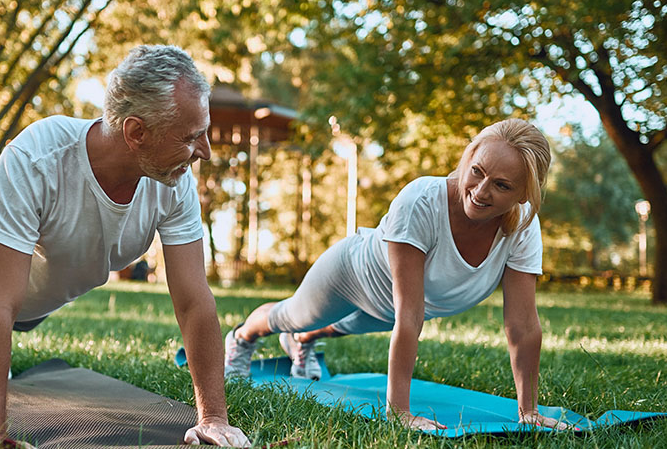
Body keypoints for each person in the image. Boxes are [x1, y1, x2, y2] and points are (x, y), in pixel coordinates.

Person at [0, 45, 250, 449]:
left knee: (15, 319)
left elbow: (194, 302)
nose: (205, 151)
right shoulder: (36, 160)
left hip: (37, 296)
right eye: (191, 137)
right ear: (136, 133)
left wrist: (214, 419)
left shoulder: (172, 182)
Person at [224, 119, 570, 431]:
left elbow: (522, 324)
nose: (480, 191)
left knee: (330, 328)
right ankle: (242, 339)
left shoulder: (522, 227)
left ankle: (304, 343)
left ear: (525, 193)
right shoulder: (422, 200)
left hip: (390, 309)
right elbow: (409, 313)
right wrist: (399, 411)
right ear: (466, 160)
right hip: (352, 275)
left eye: (502, 185)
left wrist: (529, 411)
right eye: (477, 171)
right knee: (292, 316)